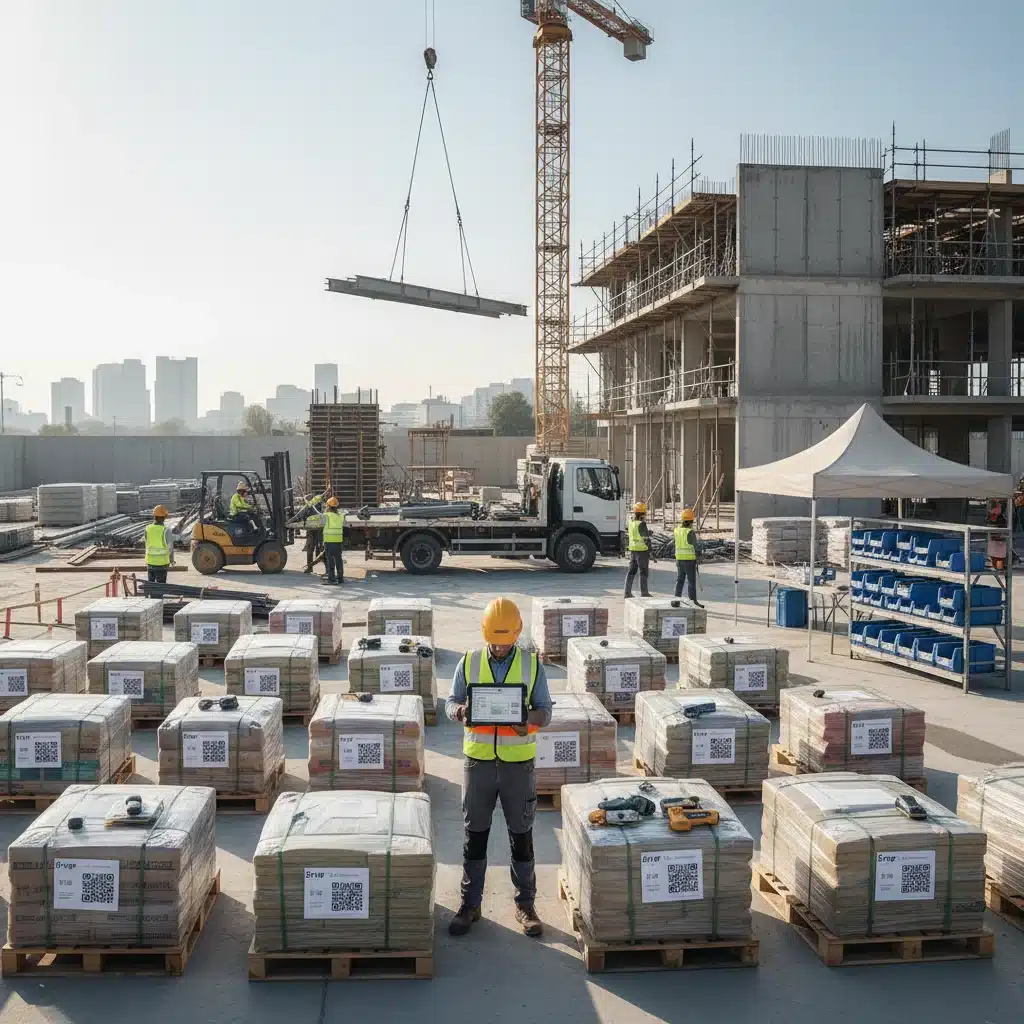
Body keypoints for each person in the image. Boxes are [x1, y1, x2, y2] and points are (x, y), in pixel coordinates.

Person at [445, 597, 552, 939]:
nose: (501, 646)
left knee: (521, 835)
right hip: (477, 763)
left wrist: (527, 721)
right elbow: (450, 702)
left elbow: (545, 711)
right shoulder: (469, 661)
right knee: (475, 835)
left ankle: (526, 905)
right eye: (496, 640)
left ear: (517, 633)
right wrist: (461, 712)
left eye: (506, 641)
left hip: (517, 766)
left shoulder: (531, 665)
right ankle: (469, 904)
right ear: (485, 633)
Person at [673, 507, 703, 607]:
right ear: (691, 521)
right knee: (691, 582)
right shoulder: (690, 532)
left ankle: (676, 600)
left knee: (679, 581)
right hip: (689, 560)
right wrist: (699, 554)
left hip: (679, 560)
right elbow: (695, 546)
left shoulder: (677, 530)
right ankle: (693, 602)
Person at [624, 501, 653, 597]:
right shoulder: (642, 524)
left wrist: (647, 532)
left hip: (633, 550)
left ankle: (627, 592)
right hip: (642, 551)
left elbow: (636, 534)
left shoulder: (631, 523)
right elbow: (645, 538)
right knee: (643, 572)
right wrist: (651, 551)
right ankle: (644, 592)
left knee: (631, 571)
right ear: (642, 514)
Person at [144, 504, 175, 584]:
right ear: (164, 517)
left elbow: (147, 543)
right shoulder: (166, 530)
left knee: (151, 586)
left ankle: (151, 592)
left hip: (150, 563)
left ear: (154, 516)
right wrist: (172, 560)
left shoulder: (147, 529)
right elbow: (170, 548)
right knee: (160, 587)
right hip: (162, 564)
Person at [321, 496, 345, 585]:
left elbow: (321, 523)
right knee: (339, 560)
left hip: (329, 541)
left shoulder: (326, 515)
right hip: (338, 541)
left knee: (330, 560)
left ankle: (331, 579)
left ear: (328, 506)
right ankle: (340, 578)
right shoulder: (340, 516)